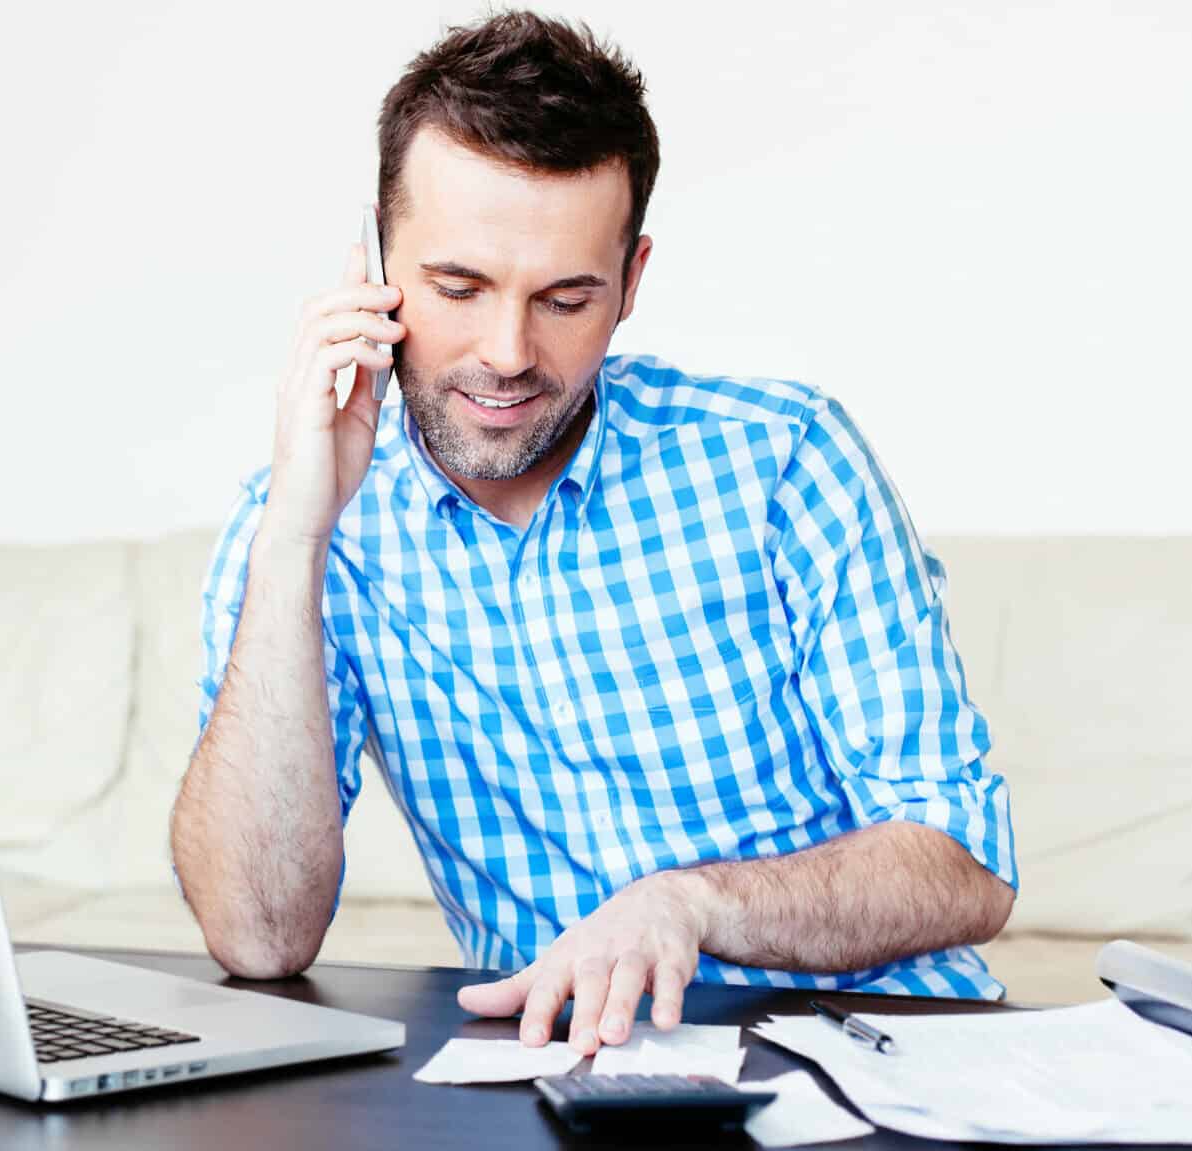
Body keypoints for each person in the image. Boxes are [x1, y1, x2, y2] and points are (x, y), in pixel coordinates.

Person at [168, 10, 1016, 1056]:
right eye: (456, 286)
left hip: (873, 1058)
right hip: (558, 1074)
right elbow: (257, 937)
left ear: (631, 282)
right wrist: (296, 535)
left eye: (565, 297)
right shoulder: (299, 524)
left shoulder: (783, 459)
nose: (506, 352)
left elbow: (964, 863)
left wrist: (693, 904)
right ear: (376, 263)